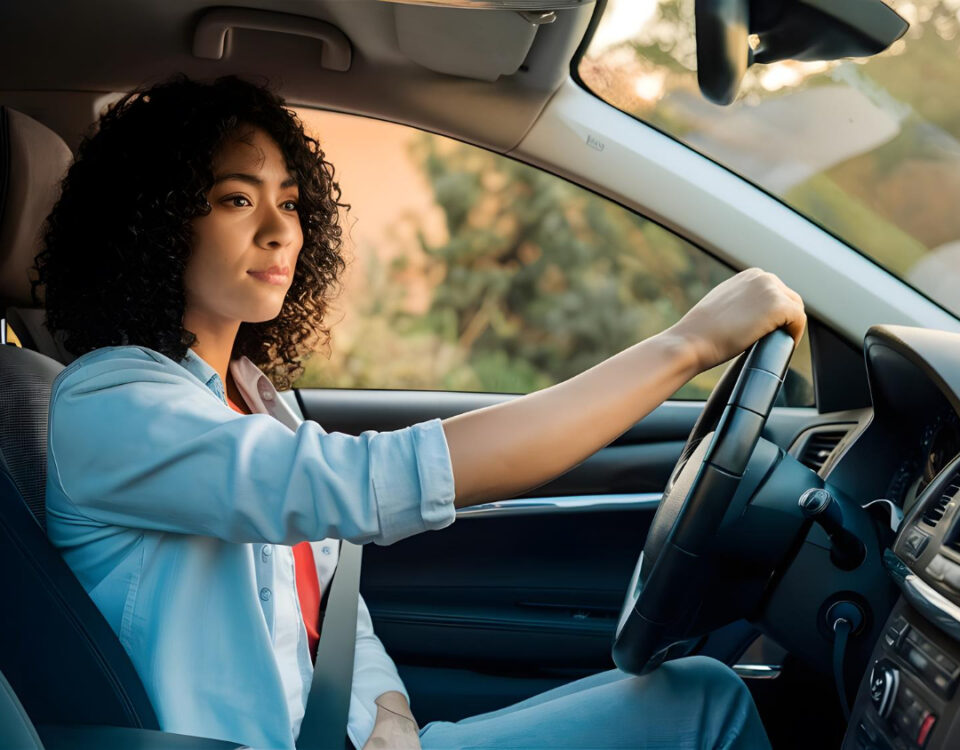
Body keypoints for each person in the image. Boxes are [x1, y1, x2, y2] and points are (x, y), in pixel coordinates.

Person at [35, 74, 804, 750]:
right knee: (707, 711)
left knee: (701, 693)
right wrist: (685, 346)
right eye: (237, 198)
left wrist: (391, 715)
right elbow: (367, 482)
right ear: (154, 224)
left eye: (292, 202)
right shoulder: (112, 404)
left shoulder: (251, 397)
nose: (280, 231)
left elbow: (335, 611)